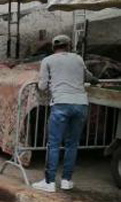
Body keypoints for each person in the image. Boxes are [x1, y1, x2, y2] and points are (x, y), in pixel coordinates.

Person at [32, 34, 98, 193]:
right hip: (80, 104)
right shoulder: (78, 58)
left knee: (53, 144)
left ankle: (49, 182)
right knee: (72, 144)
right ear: (69, 46)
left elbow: (42, 86)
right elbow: (88, 76)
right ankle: (66, 180)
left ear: (53, 48)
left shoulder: (48, 60)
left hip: (61, 104)